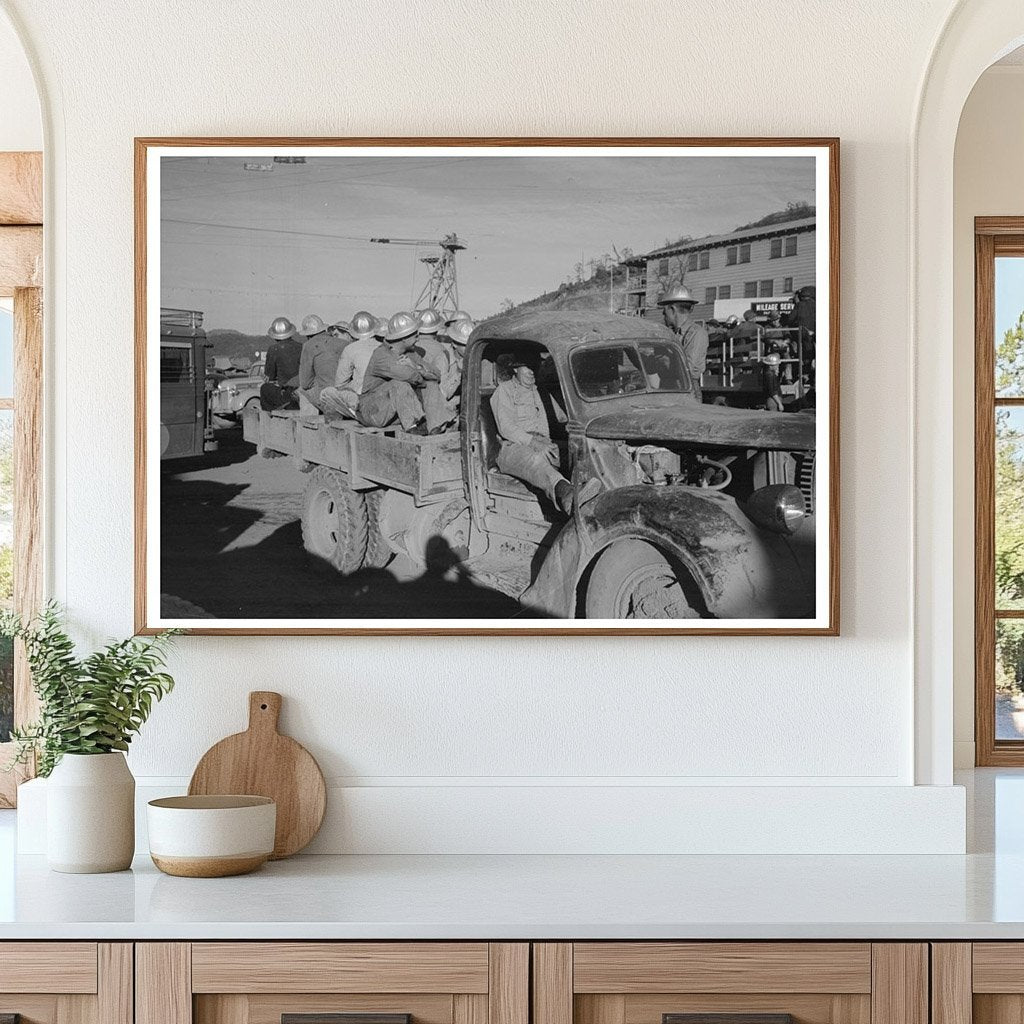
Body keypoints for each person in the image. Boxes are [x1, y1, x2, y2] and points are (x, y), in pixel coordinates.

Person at [490, 352, 576, 513]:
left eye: (535, 367)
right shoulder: (504, 391)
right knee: (536, 458)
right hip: (512, 448)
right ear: (515, 369)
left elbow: (562, 419)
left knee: (579, 452)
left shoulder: (541, 391)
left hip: (544, 443)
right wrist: (534, 443)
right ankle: (564, 491)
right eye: (527, 367)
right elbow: (506, 428)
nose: (532, 372)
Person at [357, 311, 451, 435]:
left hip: (397, 411)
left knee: (431, 384)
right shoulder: (381, 355)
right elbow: (410, 376)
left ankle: (435, 428)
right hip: (373, 411)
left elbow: (436, 374)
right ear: (403, 338)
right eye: (415, 335)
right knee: (400, 384)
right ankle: (414, 429)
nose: (418, 338)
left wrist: (415, 366)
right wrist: (420, 375)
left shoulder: (410, 354)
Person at [320, 310, 381, 417]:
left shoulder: (350, 349)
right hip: (382, 396)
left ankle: (350, 414)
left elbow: (340, 384)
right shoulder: (383, 347)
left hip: (363, 398)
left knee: (326, 393)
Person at [657, 283, 708, 401]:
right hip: (668, 389)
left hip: (685, 391)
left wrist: (664, 360)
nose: (663, 315)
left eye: (664, 311)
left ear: (672, 309)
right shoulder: (670, 334)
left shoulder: (697, 333)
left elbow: (690, 369)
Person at [297, 314, 350, 413]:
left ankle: (309, 425)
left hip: (327, 395)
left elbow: (305, 383)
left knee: (302, 391)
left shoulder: (308, 345)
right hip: (347, 394)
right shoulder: (344, 343)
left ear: (308, 335)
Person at [260, 316, 303, 410]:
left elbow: (270, 377)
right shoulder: (302, 346)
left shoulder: (273, 349)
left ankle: (269, 417)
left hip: (287, 393)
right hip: (301, 390)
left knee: (264, 388)